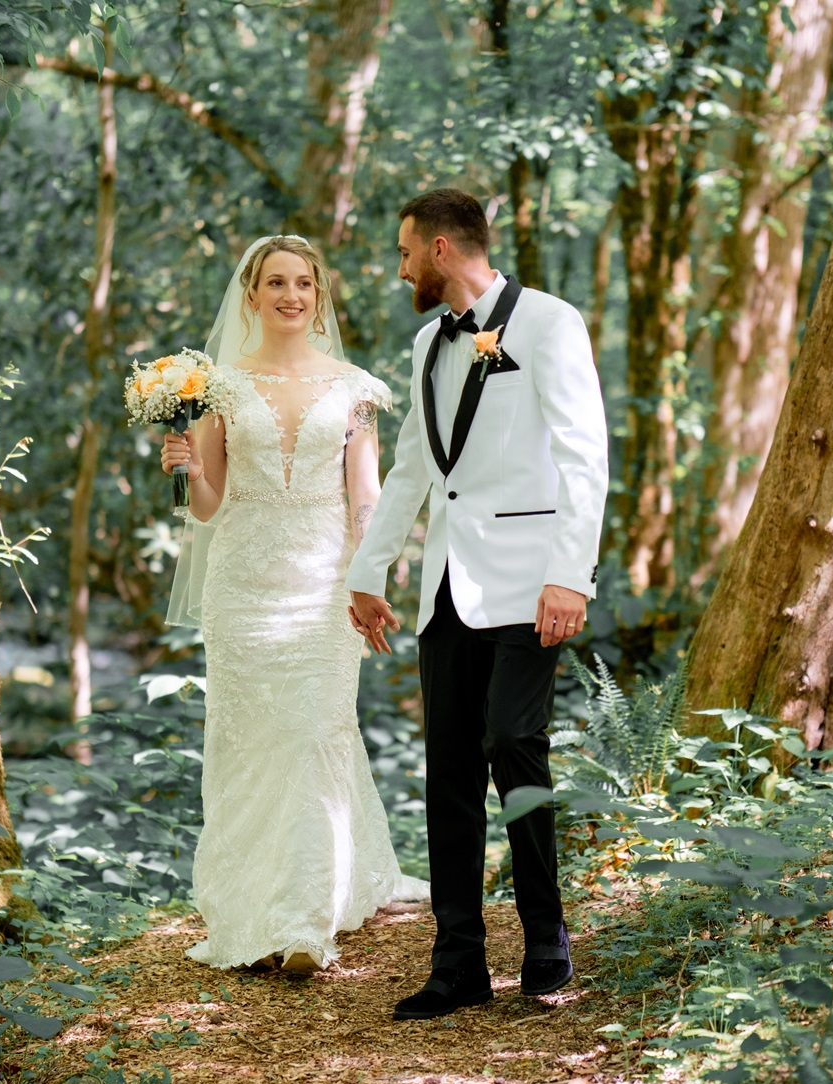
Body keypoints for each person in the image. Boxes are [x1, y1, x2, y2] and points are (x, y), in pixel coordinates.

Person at [346, 189, 609, 1021]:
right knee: (449, 771)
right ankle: (457, 960)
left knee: (513, 740)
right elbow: (414, 473)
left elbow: (584, 455)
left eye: (403, 252)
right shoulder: (428, 341)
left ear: (441, 248)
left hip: (535, 583)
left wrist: (572, 575)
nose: (399, 268)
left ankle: (545, 935)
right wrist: (369, 571)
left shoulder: (551, 323)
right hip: (448, 590)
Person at [160, 234, 429, 975]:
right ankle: (250, 903)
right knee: (251, 747)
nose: (291, 295)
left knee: (315, 736)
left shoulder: (355, 389)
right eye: (275, 282)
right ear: (251, 296)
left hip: (322, 591)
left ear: (319, 296)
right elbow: (212, 506)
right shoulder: (217, 388)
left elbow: (366, 500)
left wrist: (370, 580)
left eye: (303, 283)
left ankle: (304, 923)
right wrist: (187, 467)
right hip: (242, 591)